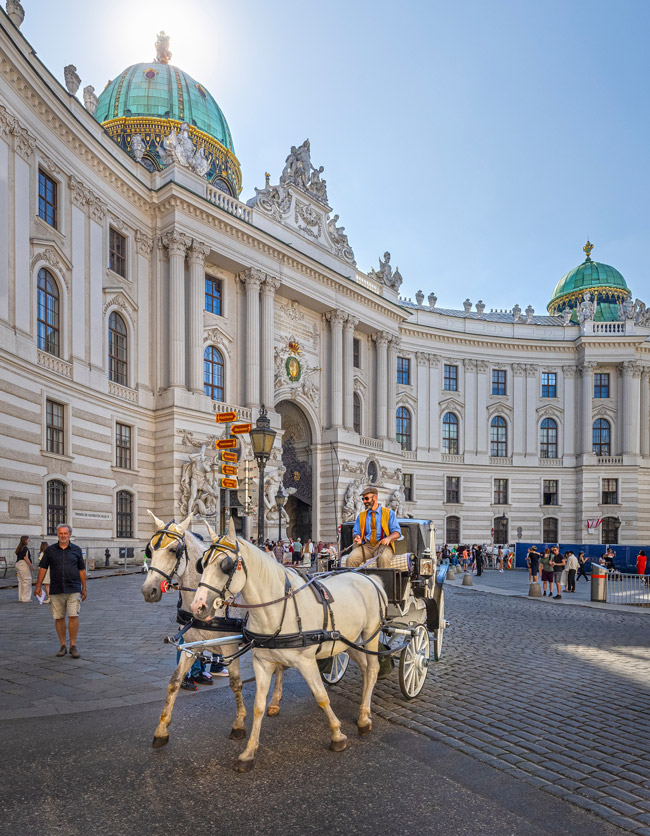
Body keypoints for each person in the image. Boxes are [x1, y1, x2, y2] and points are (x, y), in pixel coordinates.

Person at [34, 524, 87, 658]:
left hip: (73, 587)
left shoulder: (76, 550)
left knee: (74, 616)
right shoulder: (50, 550)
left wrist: (84, 588)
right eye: (60, 533)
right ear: (57, 535)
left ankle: (73, 645)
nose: (63, 536)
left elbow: (81, 570)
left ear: (70, 535)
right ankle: (63, 645)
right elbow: (42, 568)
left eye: (65, 533)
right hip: (56, 588)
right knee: (59, 618)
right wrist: (38, 586)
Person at [347, 486, 401, 568]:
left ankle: (383, 581)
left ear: (375, 497)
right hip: (366, 546)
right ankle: (354, 580)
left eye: (366, 498)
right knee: (351, 559)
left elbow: (397, 533)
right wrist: (357, 537)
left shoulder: (389, 513)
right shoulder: (361, 515)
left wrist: (388, 539)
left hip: (383, 546)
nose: (364, 501)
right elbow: (356, 532)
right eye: (363, 499)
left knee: (383, 558)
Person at [14, 535, 33, 602]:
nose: (29, 541)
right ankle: (26, 598)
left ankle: (21, 597)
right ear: (25, 540)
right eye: (28, 540)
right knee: (27, 580)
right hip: (23, 564)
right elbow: (26, 558)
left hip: (18, 564)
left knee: (21, 581)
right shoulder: (25, 548)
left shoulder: (19, 548)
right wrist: (31, 566)